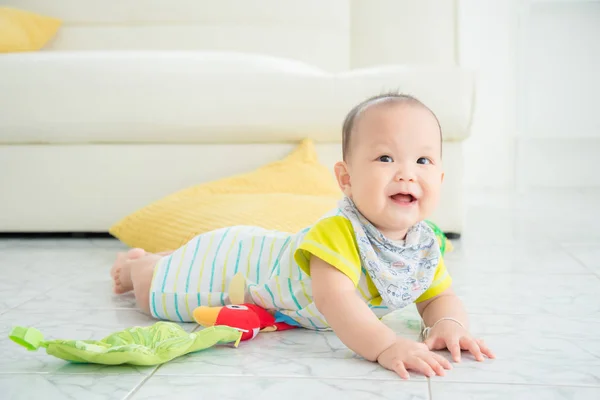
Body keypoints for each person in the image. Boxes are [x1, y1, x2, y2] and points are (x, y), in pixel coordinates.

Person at [110, 93, 495, 379]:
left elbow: (438, 294)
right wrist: (386, 344)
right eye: (385, 158)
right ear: (346, 179)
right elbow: (335, 299)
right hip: (237, 268)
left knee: (183, 257)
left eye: (423, 160)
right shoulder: (339, 232)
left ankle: (167, 255)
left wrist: (449, 324)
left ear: (440, 179)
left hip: (264, 253)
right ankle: (138, 265)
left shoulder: (425, 243)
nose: (407, 173)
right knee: (154, 292)